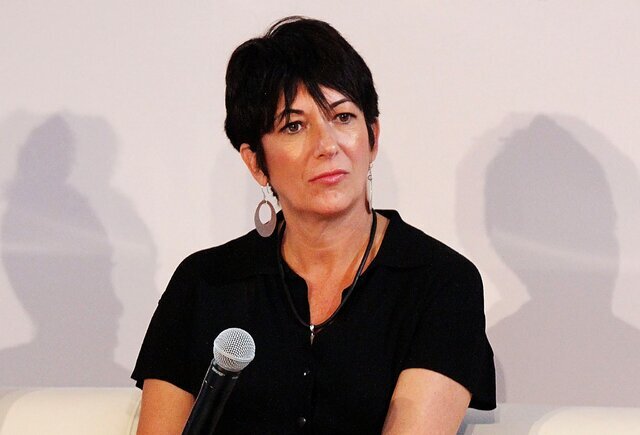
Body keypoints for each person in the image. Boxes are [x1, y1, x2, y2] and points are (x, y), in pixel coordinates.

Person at [132, 16, 495, 434]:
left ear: (372, 137)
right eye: (294, 125)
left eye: (343, 117)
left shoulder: (441, 283)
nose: (327, 145)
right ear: (256, 162)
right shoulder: (204, 284)